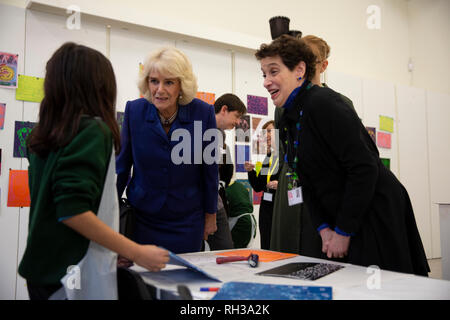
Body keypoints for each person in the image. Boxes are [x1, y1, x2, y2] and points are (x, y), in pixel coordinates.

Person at [255, 34, 430, 276]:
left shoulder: (325, 104)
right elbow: (305, 178)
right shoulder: (287, 116)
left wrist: (344, 231)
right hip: (344, 212)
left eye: (274, 72)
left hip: (374, 210)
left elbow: (364, 168)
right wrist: (324, 228)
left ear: (299, 70)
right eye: (264, 74)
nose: (266, 81)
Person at [18, 42, 169, 300]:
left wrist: (113, 248)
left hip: (43, 270)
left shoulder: (43, 134)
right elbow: (73, 211)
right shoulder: (91, 131)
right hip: (71, 274)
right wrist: (136, 251)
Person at [116, 46, 218, 254]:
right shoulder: (134, 111)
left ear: (182, 85)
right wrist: (109, 212)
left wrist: (211, 216)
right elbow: (122, 166)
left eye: (169, 82)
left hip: (187, 221)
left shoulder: (203, 113)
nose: (159, 90)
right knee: (143, 283)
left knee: (183, 281)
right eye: (154, 81)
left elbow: (210, 171)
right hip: (143, 219)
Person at [271, 34, 357, 257]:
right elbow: (283, 151)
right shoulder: (282, 107)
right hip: (291, 190)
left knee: (320, 255)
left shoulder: (340, 103)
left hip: (323, 192)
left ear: (324, 65)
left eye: (312, 60)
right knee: (287, 252)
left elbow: (357, 164)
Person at [206, 93, 247, 250]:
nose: (237, 122)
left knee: (224, 249)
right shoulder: (205, 130)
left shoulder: (219, 135)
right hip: (208, 203)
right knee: (223, 248)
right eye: (236, 116)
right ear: (224, 109)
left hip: (215, 201)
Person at [244, 120, 280, 249]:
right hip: (267, 208)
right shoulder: (269, 157)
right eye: (264, 133)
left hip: (280, 206)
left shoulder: (287, 156)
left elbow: (296, 179)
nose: (266, 135)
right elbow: (258, 186)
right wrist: (251, 171)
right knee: (266, 243)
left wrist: (280, 185)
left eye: (269, 131)